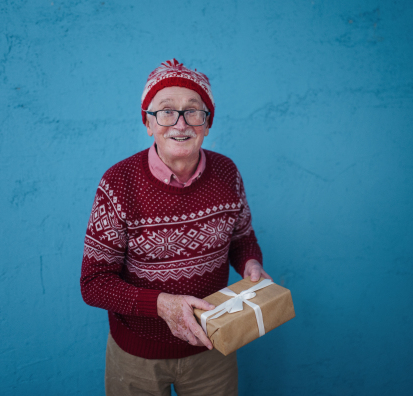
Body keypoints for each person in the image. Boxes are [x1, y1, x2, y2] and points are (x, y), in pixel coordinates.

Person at [80, 59, 272, 396]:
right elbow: (94, 283)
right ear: (147, 122)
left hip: (213, 345)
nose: (180, 124)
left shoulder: (227, 173)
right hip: (137, 356)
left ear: (207, 123)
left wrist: (250, 263)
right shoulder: (118, 183)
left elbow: (242, 238)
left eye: (193, 111)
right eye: (166, 111)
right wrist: (162, 305)